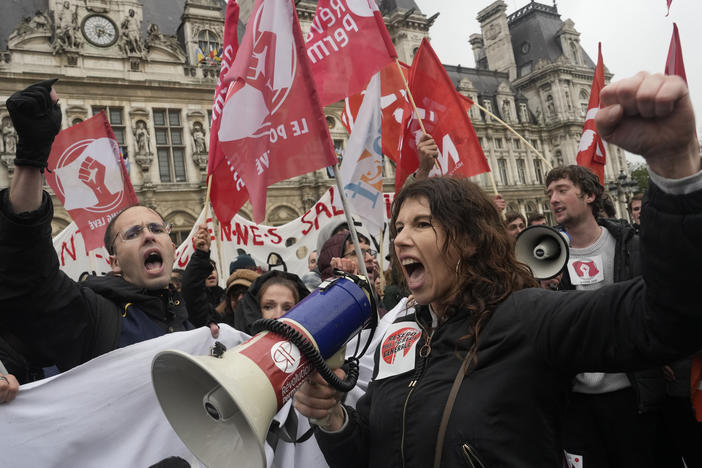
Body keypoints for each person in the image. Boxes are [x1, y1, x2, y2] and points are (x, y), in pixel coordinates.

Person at [293, 71, 702, 467]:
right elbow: (372, 451)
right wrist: (334, 421)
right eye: (398, 227)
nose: (399, 239)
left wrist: (675, 171)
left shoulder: (527, 317)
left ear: (470, 239)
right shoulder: (399, 335)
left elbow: (668, 317)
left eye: (422, 224)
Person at [0, 80, 215, 375]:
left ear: (172, 245)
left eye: (156, 228)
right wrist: (31, 158)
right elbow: (29, 270)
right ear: (113, 262)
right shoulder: (93, 314)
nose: (149, 234)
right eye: (133, 233)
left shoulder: (185, 315)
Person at [545, 164, 666, 467]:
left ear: (588, 195)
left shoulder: (630, 247)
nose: (553, 200)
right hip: (576, 401)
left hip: (632, 396)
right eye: (549, 194)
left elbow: (655, 308)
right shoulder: (544, 258)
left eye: (562, 190)